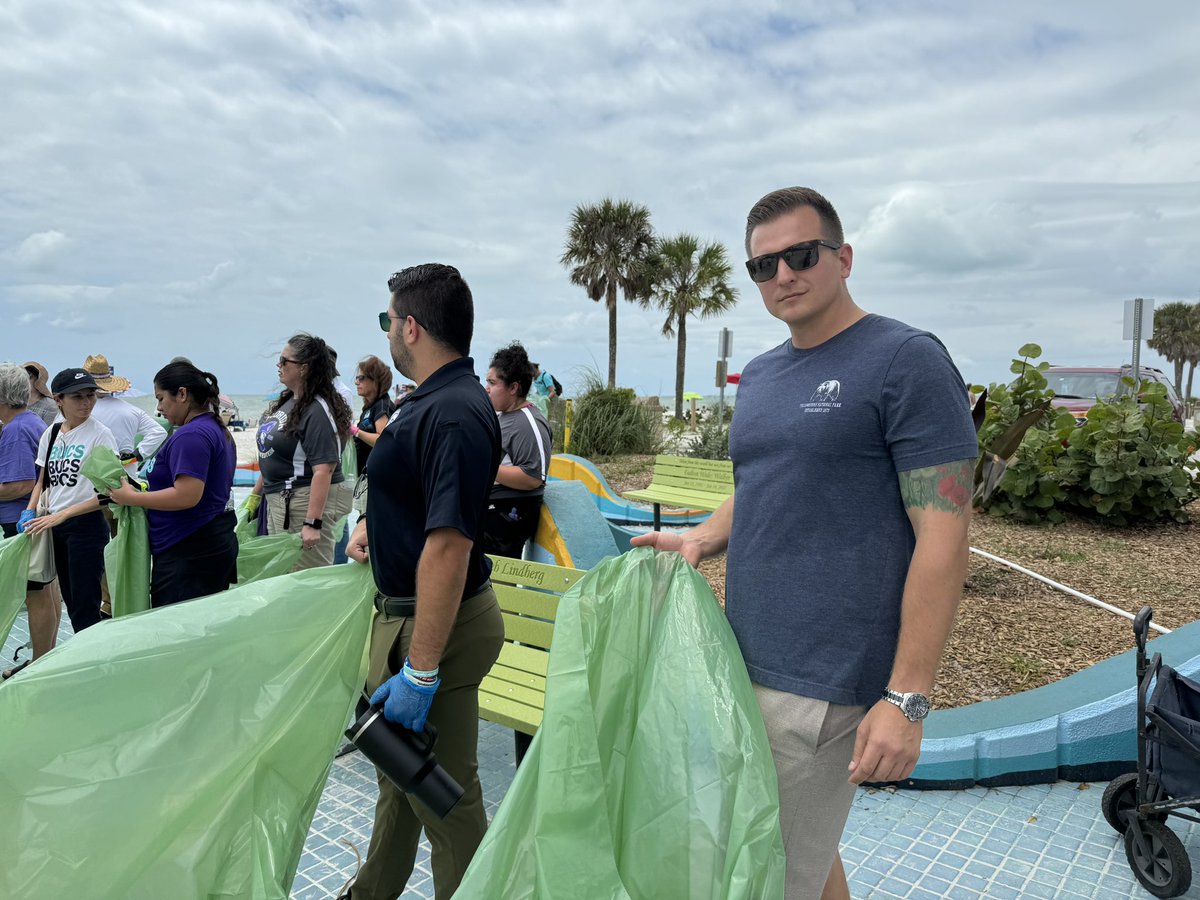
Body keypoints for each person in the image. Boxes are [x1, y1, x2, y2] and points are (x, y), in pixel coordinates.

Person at [632, 186, 978, 900]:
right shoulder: (759, 376)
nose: (783, 275)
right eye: (764, 266)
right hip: (744, 657)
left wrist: (907, 696)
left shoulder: (904, 360)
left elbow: (944, 538)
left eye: (800, 255)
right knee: (798, 859)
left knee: (764, 874)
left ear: (843, 257)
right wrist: (701, 537)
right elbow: (765, 482)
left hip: (828, 679)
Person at [342, 264, 503, 900]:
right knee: (399, 771)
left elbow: (449, 545)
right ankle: (372, 891)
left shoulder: (456, 412)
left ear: (410, 325)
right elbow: (417, 507)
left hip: (436, 626)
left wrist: (423, 669)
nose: (387, 333)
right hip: (409, 615)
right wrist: (373, 532)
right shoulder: (433, 400)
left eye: (388, 321)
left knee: (445, 793)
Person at [108, 361, 238, 607]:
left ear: (182, 394)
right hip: (209, 541)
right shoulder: (214, 428)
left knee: (178, 631)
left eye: (160, 398)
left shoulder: (191, 435)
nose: (158, 409)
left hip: (189, 549)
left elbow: (187, 495)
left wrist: (131, 497)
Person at [22, 368, 119, 635]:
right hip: (55, 525)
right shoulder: (51, 433)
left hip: (86, 525)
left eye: (91, 396)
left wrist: (63, 514)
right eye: (78, 397)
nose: (87, 403)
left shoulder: (100, 435)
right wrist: (29, 511)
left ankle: (89, 665)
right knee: (69, 597)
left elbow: (110, 492)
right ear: (58, 400)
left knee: (85, 605)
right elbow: (43, 480)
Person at [251, 334, 353, 570]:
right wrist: (256, 495)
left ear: (304, 368)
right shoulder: (291, 401)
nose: (279, 366)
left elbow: (324, 469)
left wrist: (312, 522)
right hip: (281, 501)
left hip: (300, 503)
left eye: (284, 361)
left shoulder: (317, 409)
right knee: (282, 578)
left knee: (303, 580)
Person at [0, 363, 54, 679]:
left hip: (21, 524)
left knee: (35, 592)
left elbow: (20, 484)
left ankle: (39, 662)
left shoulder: (18, 430)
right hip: (36, 522)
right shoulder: (31, 421)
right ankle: (42, 657)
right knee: (46, 590)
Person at [482, 342, 552, 560]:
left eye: (493, 383)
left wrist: (484, 468)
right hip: (492, 507)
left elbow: (533, 477)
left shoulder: (529, 423)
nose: (487, 388)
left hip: (507, 515)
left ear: (513, 388)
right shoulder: (503, 415)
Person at [82, 354, 168, 474]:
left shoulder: (79, 412)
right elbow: (159, 432)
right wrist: (137, 455)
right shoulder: (132, 410)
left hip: (90, 476)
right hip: (127, 475)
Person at [348, 354, 395, 512]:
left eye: (361, 378)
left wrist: (355, 431)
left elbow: (382, 440)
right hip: (368, 477)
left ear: (375, 380)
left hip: (376, 479)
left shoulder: (382, 406)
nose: (356, 382)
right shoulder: (371, 407)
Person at [22, 361, 58, 426]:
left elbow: (49, 433)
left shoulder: (51, 406)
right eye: (21, 376)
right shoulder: (15, 402)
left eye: (28, 376)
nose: (23, 380)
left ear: (39, 380)